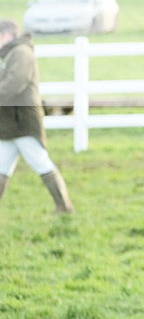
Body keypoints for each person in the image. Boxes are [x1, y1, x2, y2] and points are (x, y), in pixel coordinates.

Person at [0, 20, 73, 213]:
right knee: (1, 167)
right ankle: (63, 206)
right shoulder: (12, 54)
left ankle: (64, 206)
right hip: (10, 123)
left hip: (22, 121)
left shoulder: (21, 53)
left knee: (40, 162)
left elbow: (15, 83)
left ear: (6, 35)